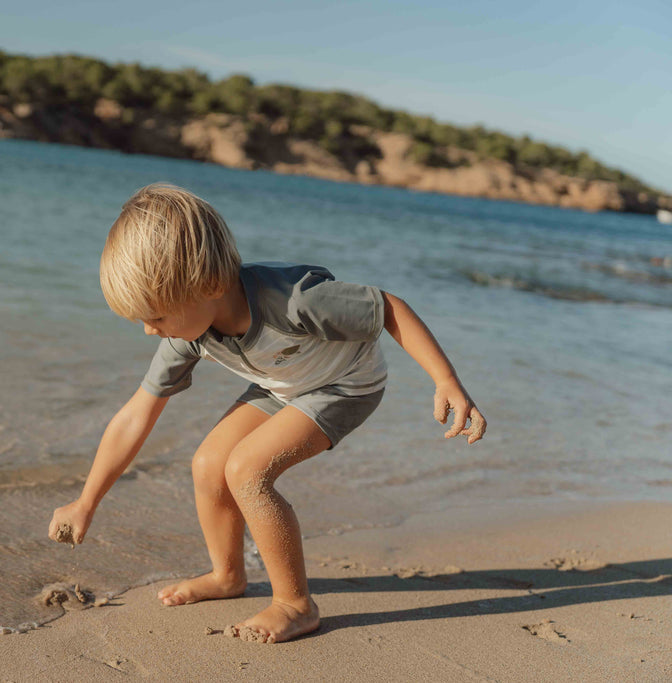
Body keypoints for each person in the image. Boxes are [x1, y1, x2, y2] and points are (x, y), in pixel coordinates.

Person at [48, 183, 486, 644]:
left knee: (247, 470)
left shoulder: (295, 300)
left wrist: (445, 380)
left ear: (208, 286)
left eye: (155, 316)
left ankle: (295, 604)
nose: (147, 330)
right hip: (283, 382)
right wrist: (86, 502)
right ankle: (227, 576)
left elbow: (388, 308)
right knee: (208, 466)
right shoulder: (185, 332)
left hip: (346, 384)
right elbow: (137, 414)